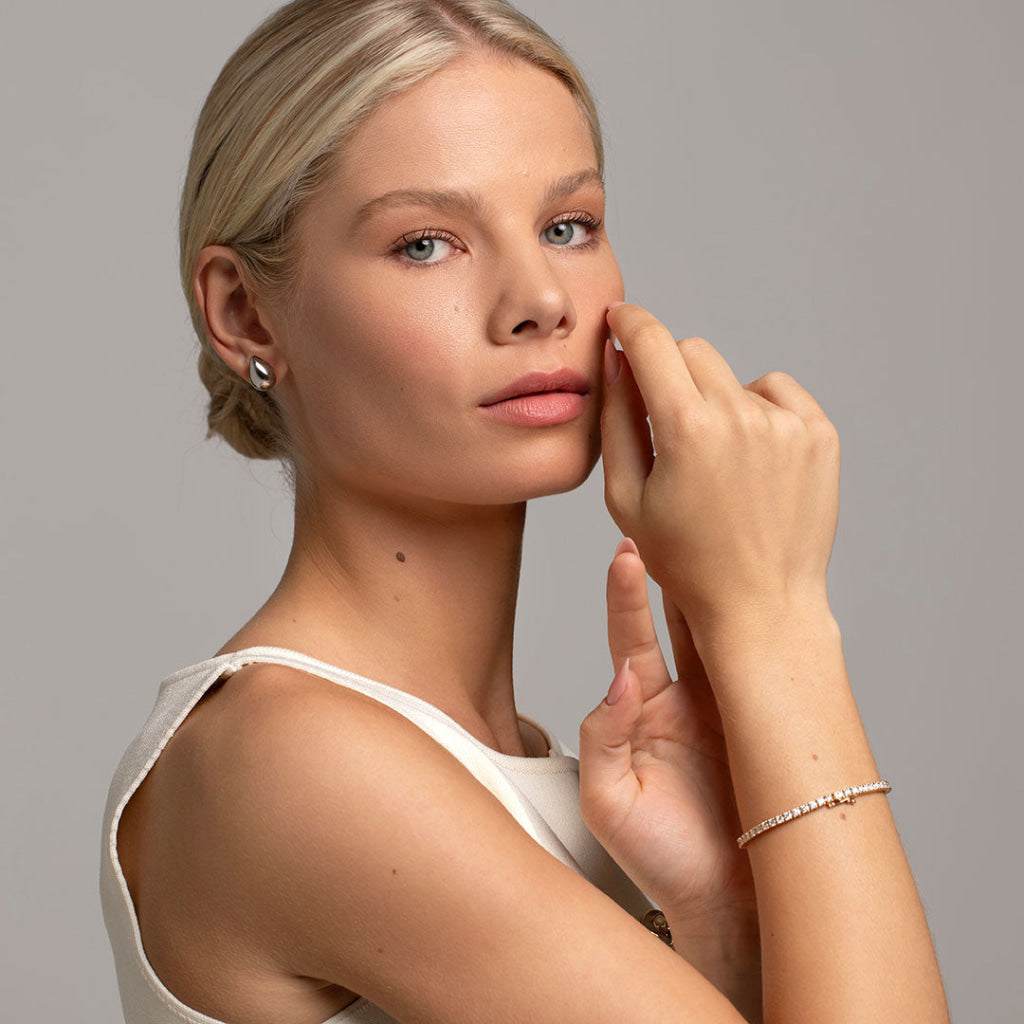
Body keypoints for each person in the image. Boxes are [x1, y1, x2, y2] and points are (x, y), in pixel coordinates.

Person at [100, 1, 949, 1021]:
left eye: (567, 225)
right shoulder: (286, 760)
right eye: (424, 243)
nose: (539, 295)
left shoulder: (494, 767)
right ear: (245, 310)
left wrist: (717, 915)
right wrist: (772, 618)